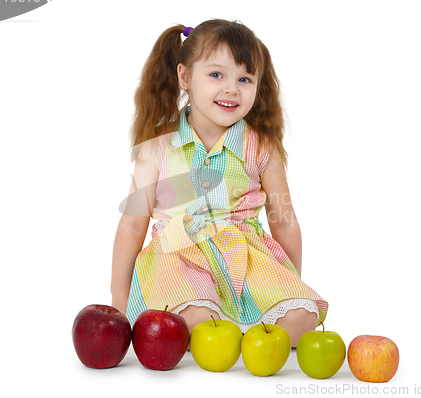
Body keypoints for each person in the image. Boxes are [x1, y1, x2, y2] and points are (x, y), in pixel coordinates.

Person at [110, 19, 328, 347]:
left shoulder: (261, 148)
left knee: (302, 318)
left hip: (245, 257)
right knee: (194, 318)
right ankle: (228, 333)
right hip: (178, 257)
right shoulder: (158, 146)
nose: (231, 89)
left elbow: (283, 219)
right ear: (185, 76)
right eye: (216, 75)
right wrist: (119, 299)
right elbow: (131, 225)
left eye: (245, 78)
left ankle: (242, 335)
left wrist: (289, 284)